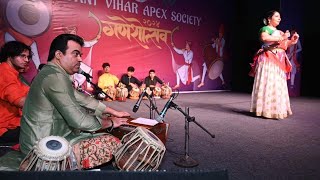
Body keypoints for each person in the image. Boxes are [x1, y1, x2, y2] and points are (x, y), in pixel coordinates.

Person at [19, 34, 130, 170]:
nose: (80, 59)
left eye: (80, 55)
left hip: (45, 138)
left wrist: (113, 112)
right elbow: (79, 120)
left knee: (98, 119)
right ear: (59, 54)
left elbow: (80, 97)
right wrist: (111, 122)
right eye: (75, 54)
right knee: (111, 142)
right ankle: (47, 167)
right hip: (42, 148)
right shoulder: (54, 77)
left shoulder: (53, 73)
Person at [249, 10, 299, 119]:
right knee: (268, 83)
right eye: (276, 16)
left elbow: (284, 44)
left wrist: (292, 41)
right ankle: (265, 110)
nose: (279, 18)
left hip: (279, 60)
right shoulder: (265, 29)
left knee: (277, 84)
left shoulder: (280, 32)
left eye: (280, 17)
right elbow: (265, 38)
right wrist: (283, 37)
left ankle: (276, 110)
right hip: (268, 58)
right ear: (269, 19)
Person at [0, 41, 31, 145]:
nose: (26, 60)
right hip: (4, 129)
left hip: (13, 123)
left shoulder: (13, 73)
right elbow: (21, 102)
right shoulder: (5, 73)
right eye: (22, 56)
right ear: (10, 56)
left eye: (27, 57)